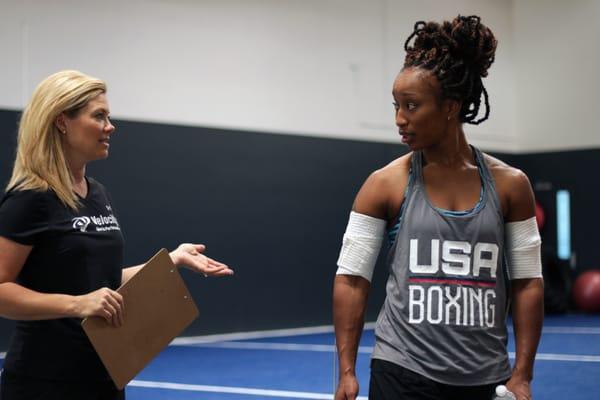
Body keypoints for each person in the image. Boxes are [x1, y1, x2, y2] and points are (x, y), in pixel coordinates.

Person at [333, 15, 544, 400]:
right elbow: (351, 278)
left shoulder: (511, 185)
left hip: (485, 379)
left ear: (450, 106)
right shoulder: (382, 184)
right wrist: (346, 371)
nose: (400, 119)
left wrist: (523, 375)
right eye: (396, 105)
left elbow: (528, 282)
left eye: (412, 106)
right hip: (402, 373)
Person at [0, 70, 234, 399]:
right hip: (44, 380)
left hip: (106, 375)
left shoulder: (97, 193)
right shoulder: (30, 198)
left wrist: (172, 261)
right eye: (99, 116)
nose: (111, 126)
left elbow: (99, 282)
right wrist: (76, 304)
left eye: (108, 116)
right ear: (61, 121)